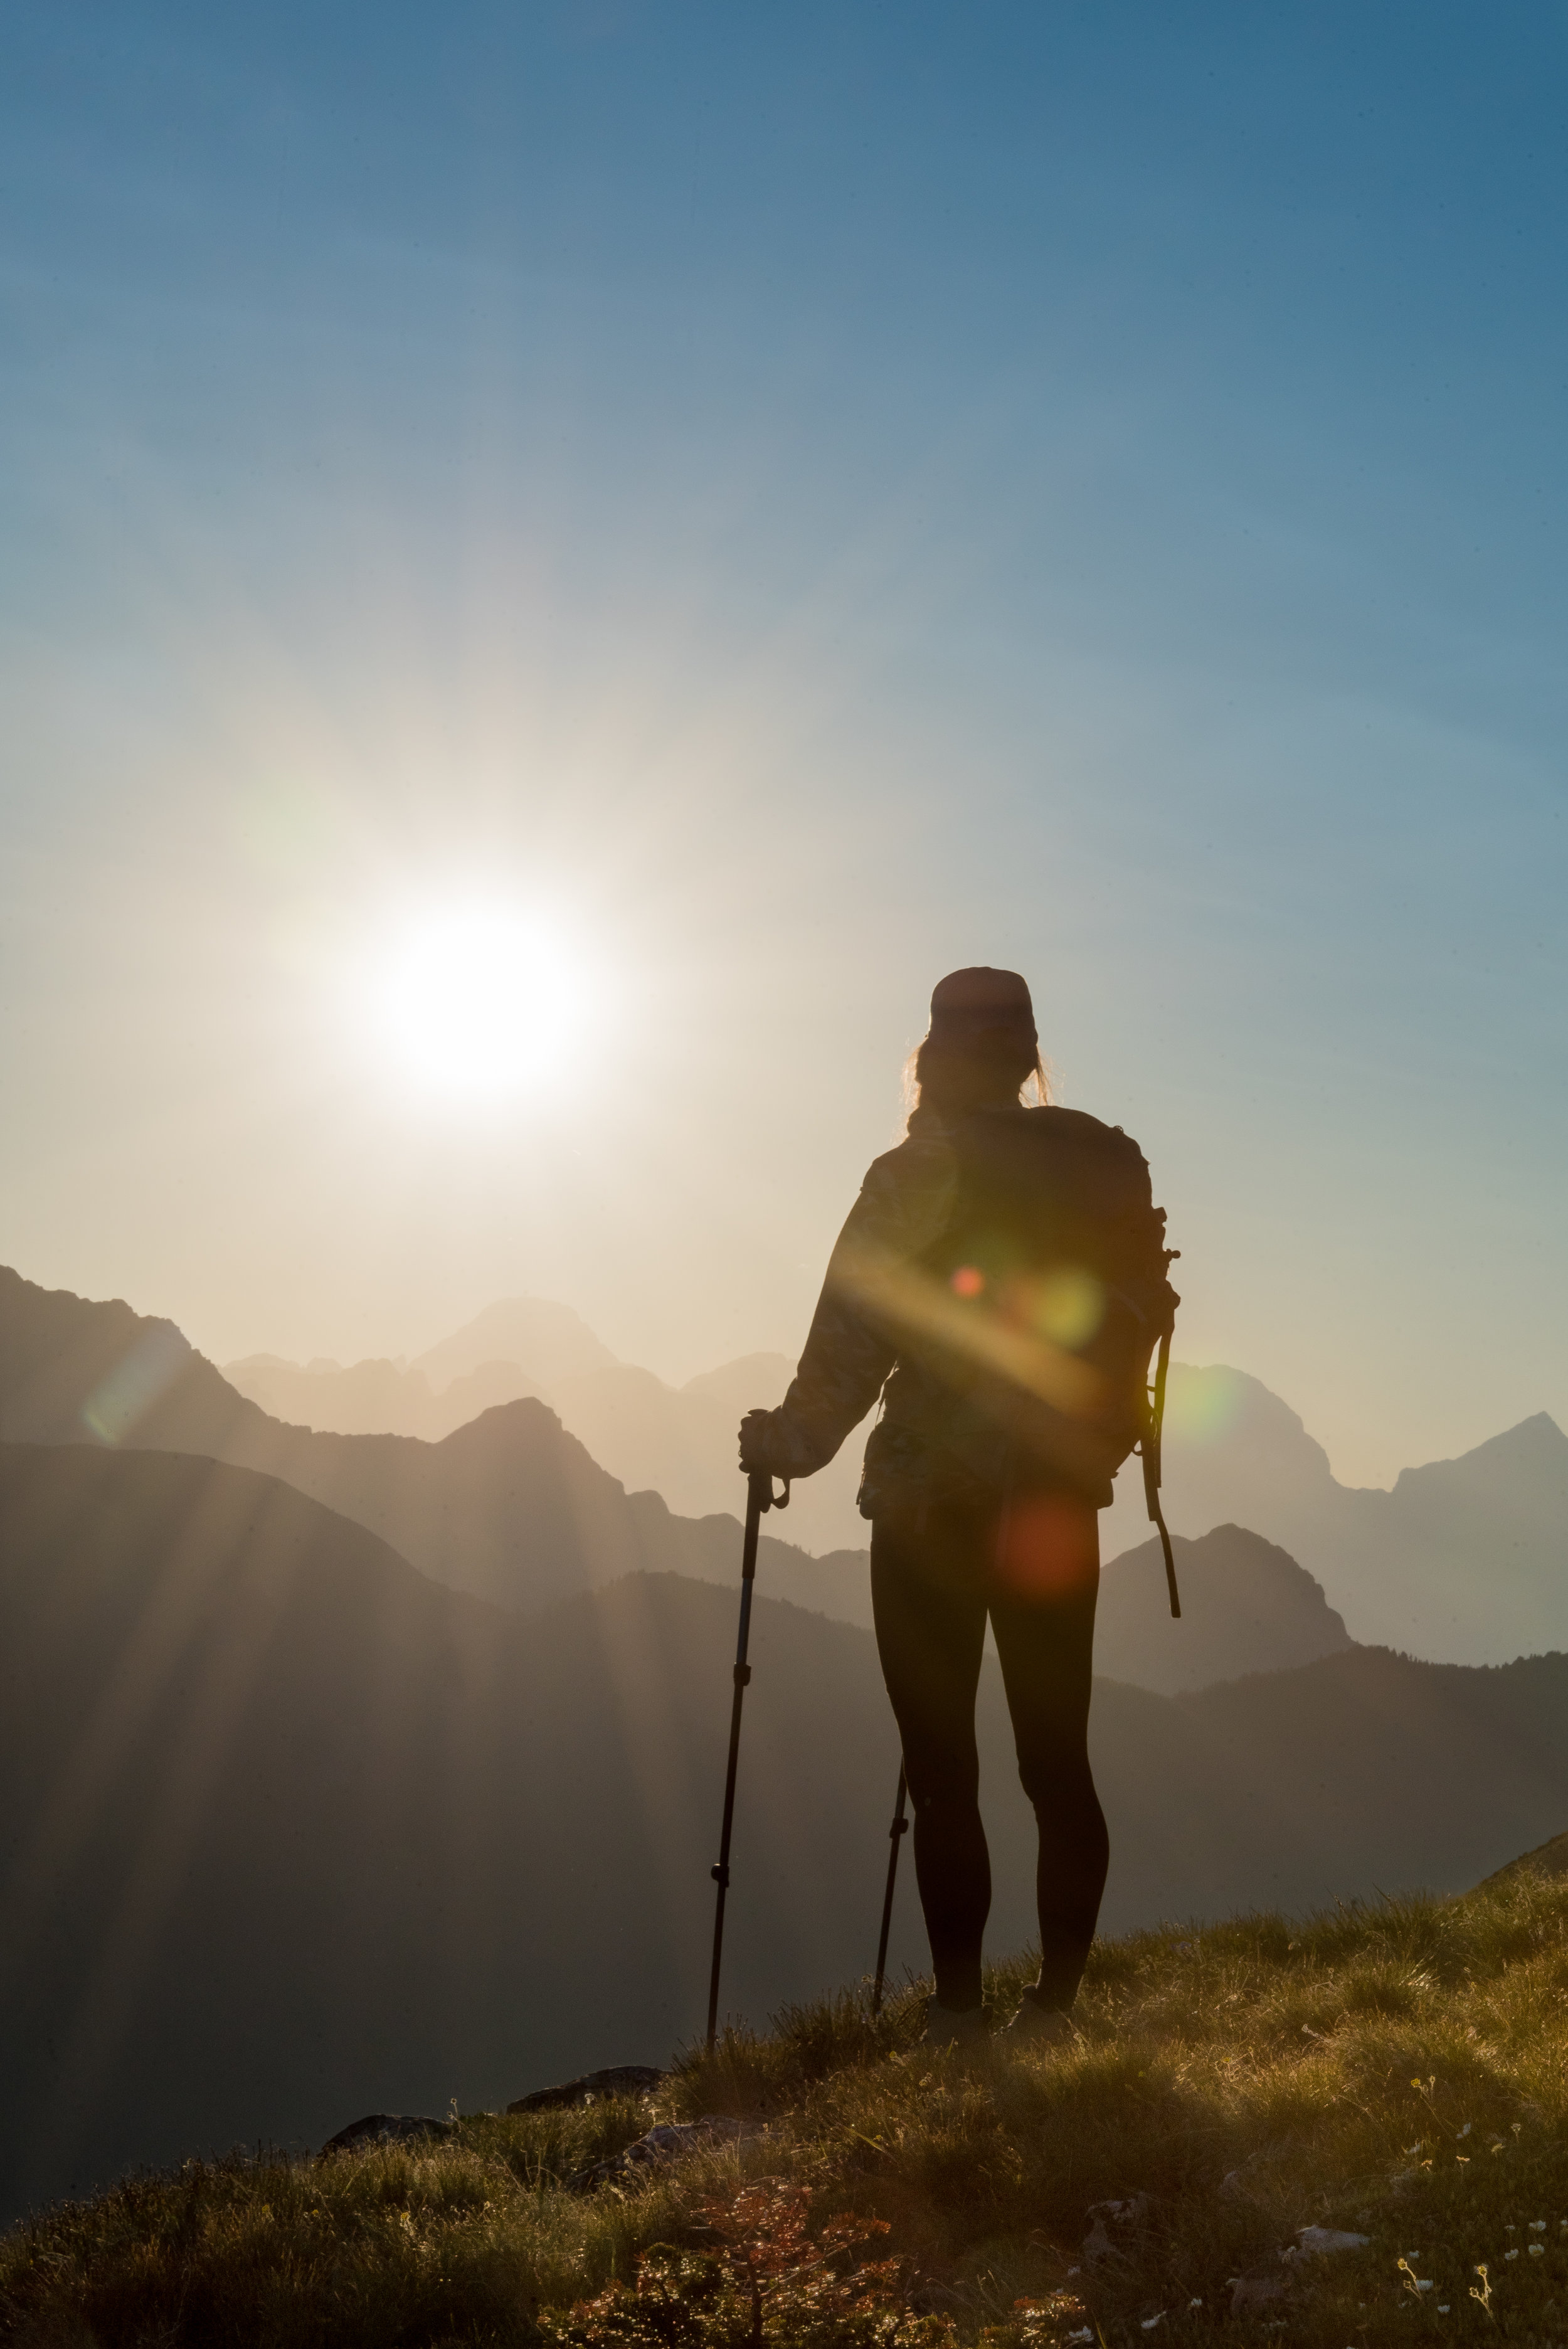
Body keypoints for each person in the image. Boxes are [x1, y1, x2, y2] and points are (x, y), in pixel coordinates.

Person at [738, 967, 1176, 2048]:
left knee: (944, 1770)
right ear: (1030, 1055)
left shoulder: (916, 1171)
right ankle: (1057, 2011)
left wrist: (782, 1442)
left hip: (935, 1504)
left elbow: (849, 1343)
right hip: (1059, 1505)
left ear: (932, 1055)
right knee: (1056, 1758)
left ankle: (957, 2011)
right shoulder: (1100, 1164)